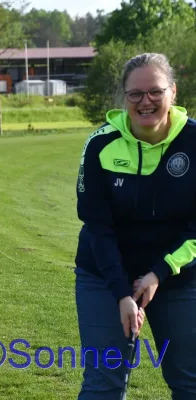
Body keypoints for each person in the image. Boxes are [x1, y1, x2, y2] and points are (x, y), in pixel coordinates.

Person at [74, 52, 196, 399]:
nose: (146, 101)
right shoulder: (100, 144)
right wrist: (122, 293)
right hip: (104, 276)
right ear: (124, 97)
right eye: (135, 94)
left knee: (190, 383)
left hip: (178, 276)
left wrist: (159, 272)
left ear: (173, 92)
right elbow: (97, 225)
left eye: (155, 91)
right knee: (104, 385)